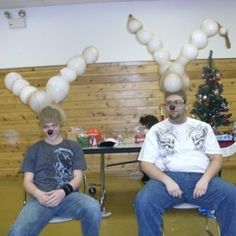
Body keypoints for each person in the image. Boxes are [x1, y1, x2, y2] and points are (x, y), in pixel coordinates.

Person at [134, 90, 236, 236]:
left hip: (201, 179)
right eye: (169, 103)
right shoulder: (156, 130)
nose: (173, 107)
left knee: (232, 195)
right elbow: (145, 164)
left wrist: (205, 180)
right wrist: (167, 181)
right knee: (143, 201)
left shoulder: (203, 127)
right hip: (166, 180)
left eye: (177, 103)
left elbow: (217, 158)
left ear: (185, 106)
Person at [8, 105, 101, 236]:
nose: (50, 129)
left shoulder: (74, 147)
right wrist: (38, 194)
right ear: (41, 127)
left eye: (54, 125)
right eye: (46, 126)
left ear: (60, 125)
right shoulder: (34, 150)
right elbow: (27, 181)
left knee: (93, 207)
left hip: (69, 197)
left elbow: (78, 177)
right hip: (41, 199)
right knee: (17, 232)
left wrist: (63, 192)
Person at [139, 115, 159, 183]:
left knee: (144, 160)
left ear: (147, 124)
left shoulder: (148, 131)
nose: (143, 126)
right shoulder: (154, 129)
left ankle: (147, 177)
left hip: (154, 154)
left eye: (144, 124)